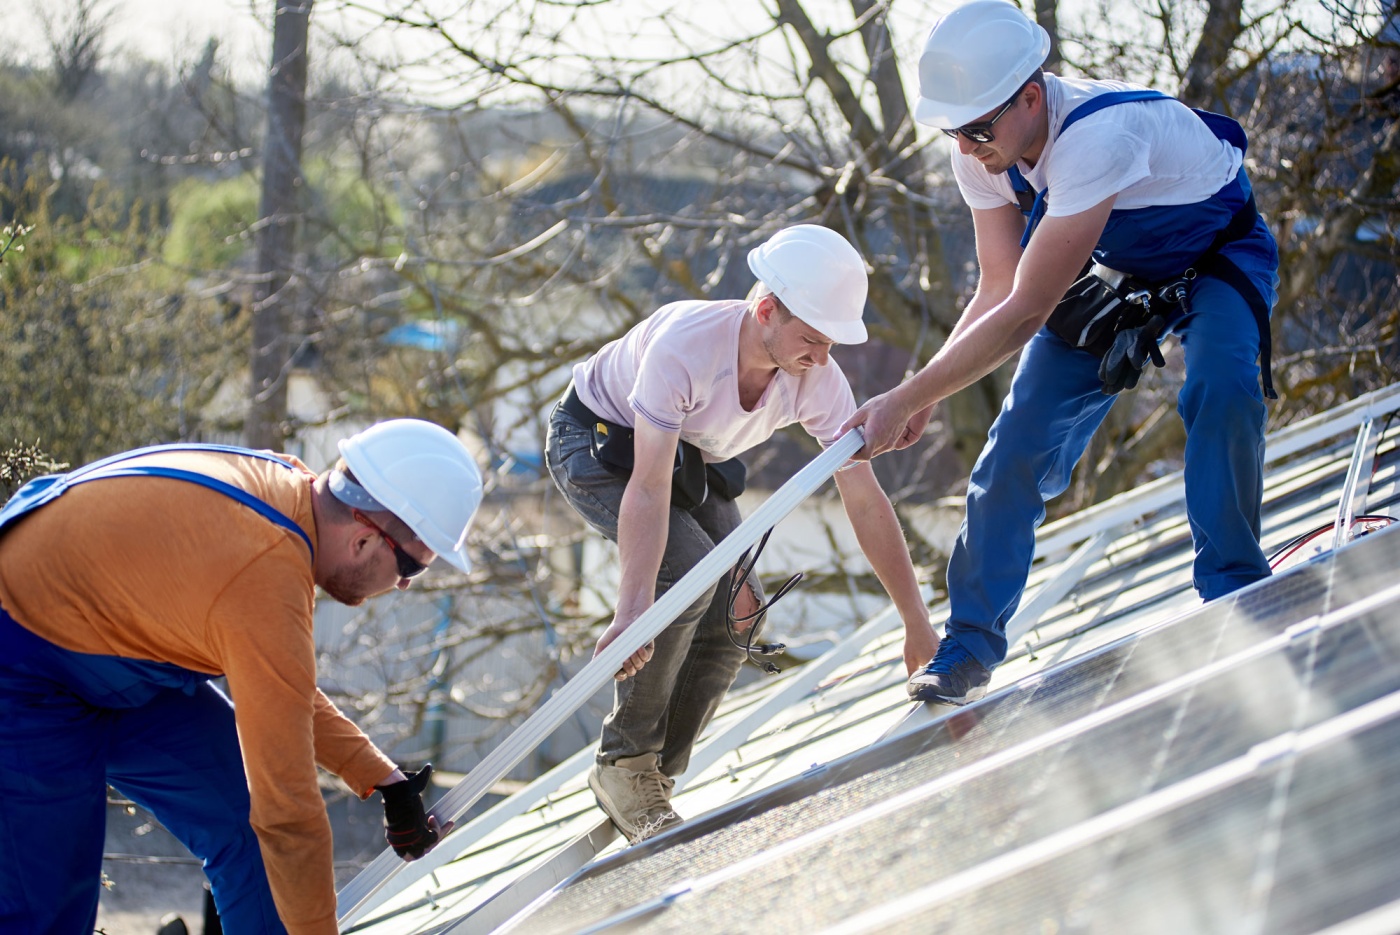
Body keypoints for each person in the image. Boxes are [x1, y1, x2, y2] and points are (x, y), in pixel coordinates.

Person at [844, 0, 1280, 707]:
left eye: (978, 129)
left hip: (1216, 256)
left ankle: (1233, 589)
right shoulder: (984, 155)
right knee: (1014, 443)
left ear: (1032, 96)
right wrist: (920, 393)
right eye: (954, 130)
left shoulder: (1099, 136)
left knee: (1222, 388)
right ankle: (968, 645)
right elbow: (994, 289)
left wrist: (908, 397)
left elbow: (1023, 313)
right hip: (1115, 275)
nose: (965, 146)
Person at [0, 419, 484, 934]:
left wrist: (385, 780)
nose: (406, 585)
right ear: (365, 539)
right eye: (413, 565)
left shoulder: (288, 494)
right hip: (23, 666)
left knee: (243, 827)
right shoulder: (264, 568)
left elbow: (282, 684)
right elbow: (289, 812)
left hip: (112, 651)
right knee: (45, 910)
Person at [546, 224, 936, 843]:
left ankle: (654, 779)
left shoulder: (817, 378)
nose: (821, 358)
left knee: (741, 613)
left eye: (831, 342)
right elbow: (646, 486)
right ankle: (625, 762)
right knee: (686, 578)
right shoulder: (685, 346)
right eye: (810, 339)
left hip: (690, 453)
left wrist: (915, 620)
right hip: (598, 442)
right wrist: (632, 611)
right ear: (765, 311)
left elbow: (864, 499)